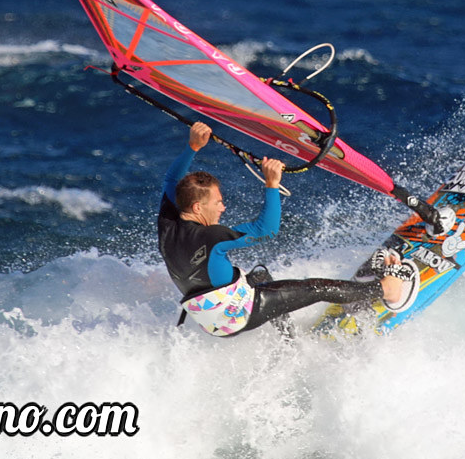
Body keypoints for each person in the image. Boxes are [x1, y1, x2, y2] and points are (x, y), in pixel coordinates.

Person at [158, 121, 417, 338]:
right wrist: (272, 184)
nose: (223, 208)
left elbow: (171, 180)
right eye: (218, 203)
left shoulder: (168, 225)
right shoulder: (211, 237)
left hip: (210, 320)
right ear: (197, 206)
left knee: (259, 277)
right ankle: (388, 289)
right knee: (317, 289)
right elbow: (267, 230)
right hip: (238, 315)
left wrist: (192, 147)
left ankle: (289, 341)